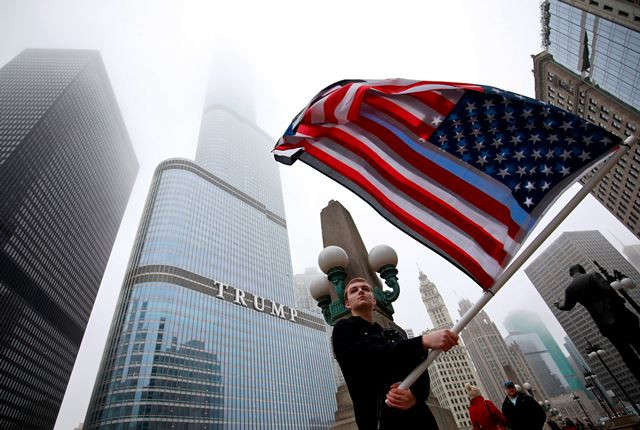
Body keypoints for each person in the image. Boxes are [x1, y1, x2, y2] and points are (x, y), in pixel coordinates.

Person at [332, 277, 459, 429]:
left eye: (365, 289)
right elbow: (369, 357)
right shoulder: (343, 329)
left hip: (420, 420)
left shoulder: (393, 335)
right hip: (381, 421)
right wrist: (422, 342)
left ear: (374, 301)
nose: (360, 291)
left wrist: (415, 395)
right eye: (354, 290)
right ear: (347, 303)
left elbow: (420, 369)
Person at [554, 264, 640, 385]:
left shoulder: (569, 289)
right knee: (637, 341)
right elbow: (607, 289)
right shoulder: (592, 275)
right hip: (619, 314)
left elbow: (566, 306)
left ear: (571, 274)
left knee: (626, 354)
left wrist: (558, 304)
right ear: (582, 269)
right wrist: (620, 302)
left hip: (604, 324)